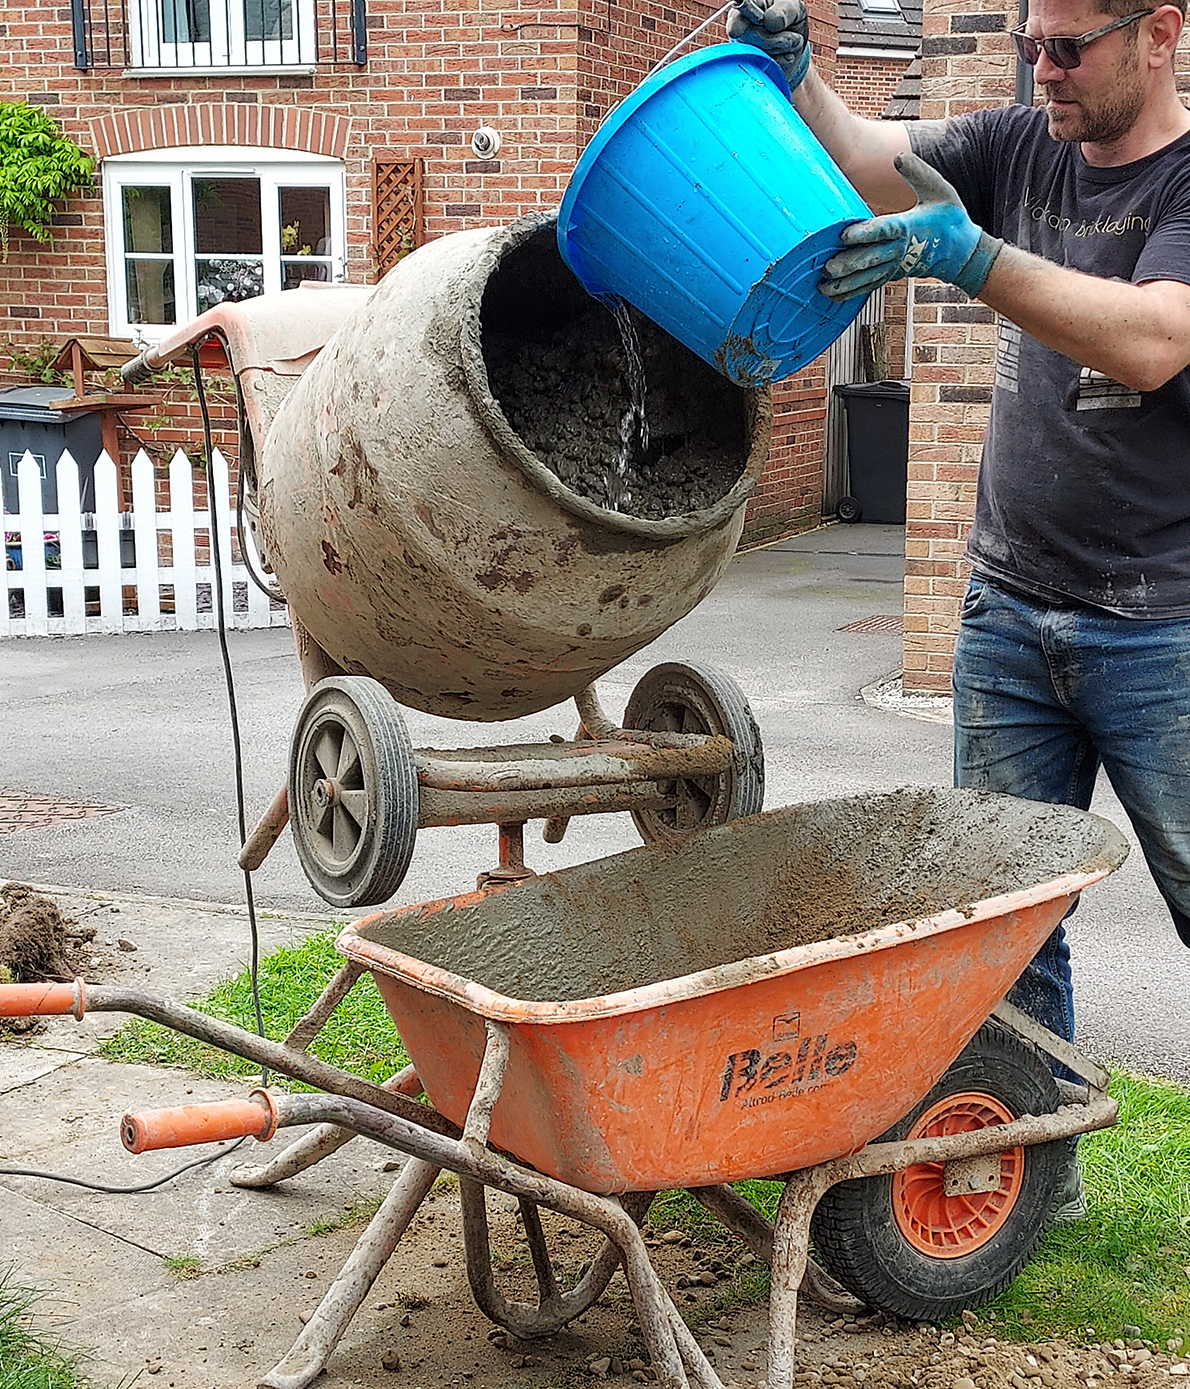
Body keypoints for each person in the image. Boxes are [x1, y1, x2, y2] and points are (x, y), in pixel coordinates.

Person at [727, 0, 1190, 1216]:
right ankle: (1033, 1177)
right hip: (1008, 613)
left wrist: (969, 258)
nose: (1040, 68)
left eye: (1067, 47)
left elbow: (1151, 341)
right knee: (1002, 925)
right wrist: (805, 81)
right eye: (1030, 41)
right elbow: (883, 165)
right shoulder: (1022, 139)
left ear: (1160, 34)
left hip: (1163, 630)